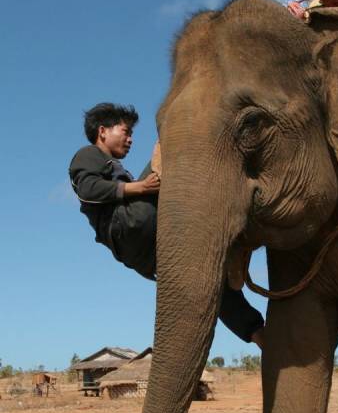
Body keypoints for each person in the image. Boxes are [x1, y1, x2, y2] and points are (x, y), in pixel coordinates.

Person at [69, 102, 265, 349]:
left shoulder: (118, 167)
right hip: (127, 225)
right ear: (102, 131)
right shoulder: (89, 154)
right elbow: (87, 189)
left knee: (213, 281)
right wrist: (137, 187)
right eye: (125, 131)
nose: (130, 140)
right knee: (171, 144)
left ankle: (259, 335)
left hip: (146, 253)